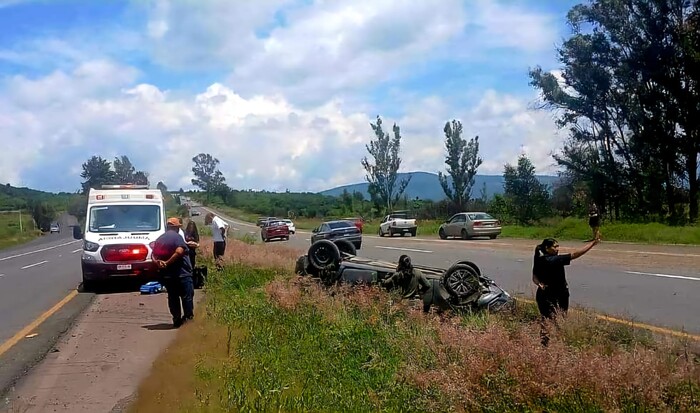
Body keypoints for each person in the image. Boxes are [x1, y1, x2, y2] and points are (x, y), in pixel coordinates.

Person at [532, 237, 599, 345]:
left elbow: (534, 277)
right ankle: (560, 343)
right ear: (547, 248)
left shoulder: (539, 259)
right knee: (558, 320)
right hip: (555, 295)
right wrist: (592, 244)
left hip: (545, 294)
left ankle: (546, 343)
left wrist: (539, 284)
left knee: (546, 320)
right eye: (555, 246)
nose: (558, 248)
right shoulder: (552, 260)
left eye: (558, 246)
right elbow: (575, 255)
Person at [152, 217, 194, 328]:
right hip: (182, 273)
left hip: (167, 276)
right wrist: (167, 262)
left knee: (173, 297)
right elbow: (179, 251)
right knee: (187, 297)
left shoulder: (160, 239)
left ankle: (176, 319)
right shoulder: (177, 237)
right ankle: (188, 319)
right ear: (176, 227)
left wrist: (158, 263)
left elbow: (153, 254)